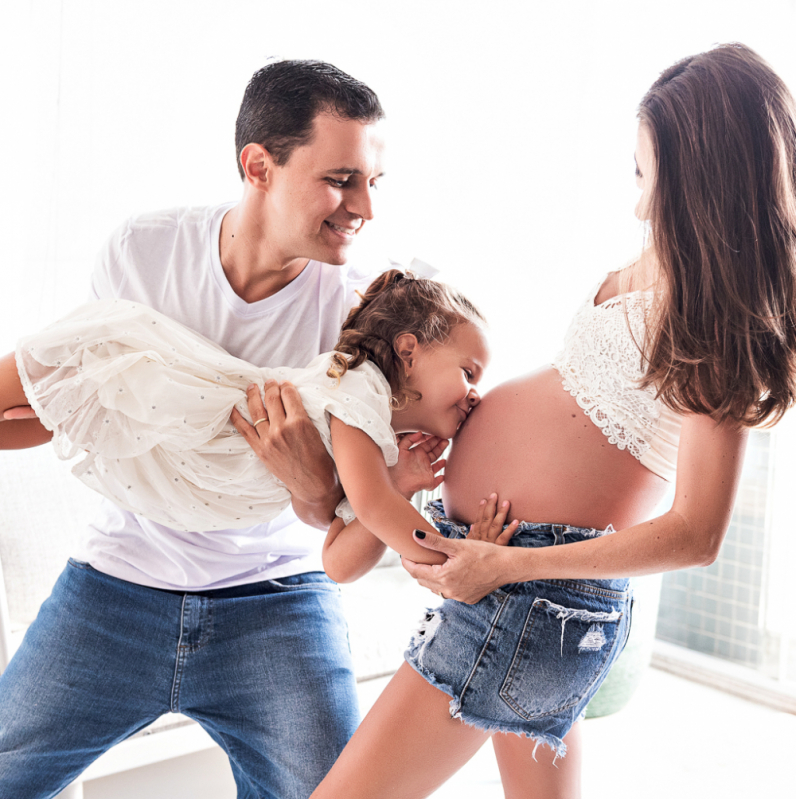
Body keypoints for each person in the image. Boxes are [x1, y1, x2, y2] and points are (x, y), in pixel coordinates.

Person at [305, 43, 796, 799]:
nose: (638, 203)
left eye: (649, 176)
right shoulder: (667, 262)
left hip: (529, 591)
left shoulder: (714, 320)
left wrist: (506, 565)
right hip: (512, 581)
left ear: (705, 181)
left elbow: (698, 534)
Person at [0, 59, 414, 799]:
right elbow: (83, 401)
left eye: (373, 183)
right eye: (341, 179)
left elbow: (346, 510)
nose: (364, 208)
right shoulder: (144, 252)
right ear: (259, 165)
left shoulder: (361, 310)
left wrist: (313, 483)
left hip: (278, 597)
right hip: (116, 585)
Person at [1, 270, 486, 567]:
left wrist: (399, 485)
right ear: (408, 350)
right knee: (70, 374)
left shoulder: (379, 442)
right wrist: (457, 557)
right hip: (200, 411)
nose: (476, 393)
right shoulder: (361, 386)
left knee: (59, 418)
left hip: (195, 456)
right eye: (468, 372)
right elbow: (375, 510)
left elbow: (336, 558)